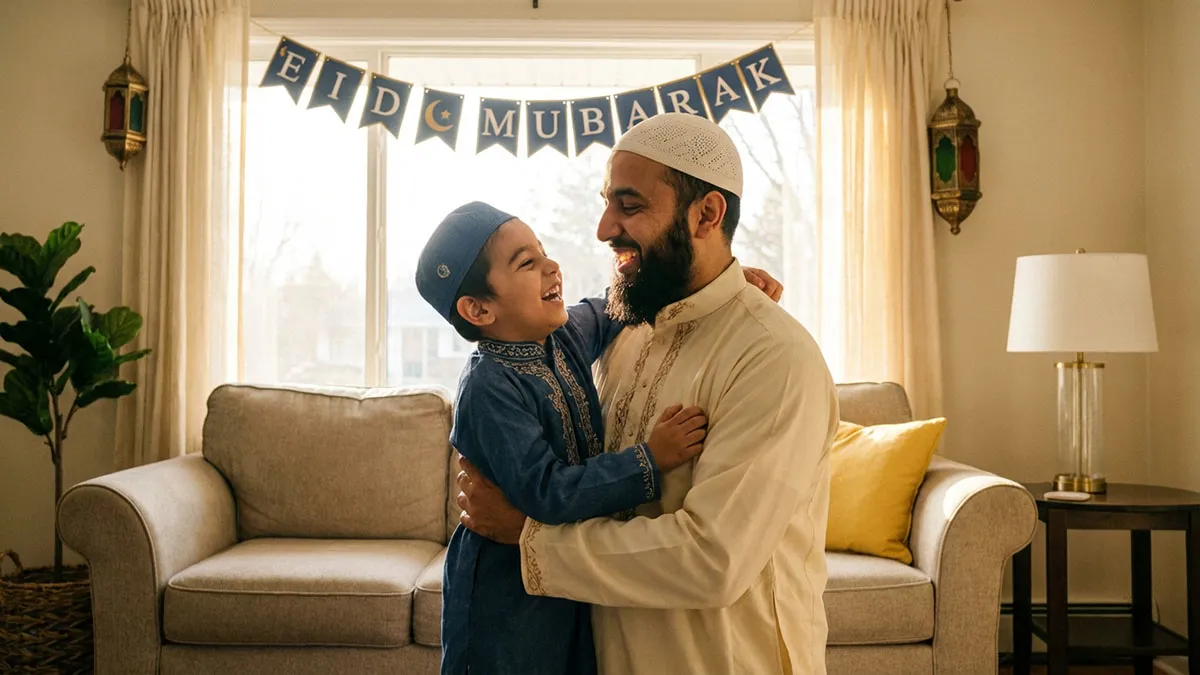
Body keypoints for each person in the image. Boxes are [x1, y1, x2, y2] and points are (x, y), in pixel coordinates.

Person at [456, 112, 840, 675]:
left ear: (706, 215)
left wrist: (528, 537)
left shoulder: (773, 357)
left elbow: (712, 559)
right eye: (606, 203)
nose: (603, 228)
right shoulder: (629, 328)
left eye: (629, 206)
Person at [414, 201, 783, 675]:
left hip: (562, 584)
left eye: (543, 251)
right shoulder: (489, 387)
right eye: (527, 263)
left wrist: (721, 285)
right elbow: (546, 490)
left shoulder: (564, 335)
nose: (551, 266)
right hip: (502, 592)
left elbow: (614, 305)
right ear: (478, 309)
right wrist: (649, 460)